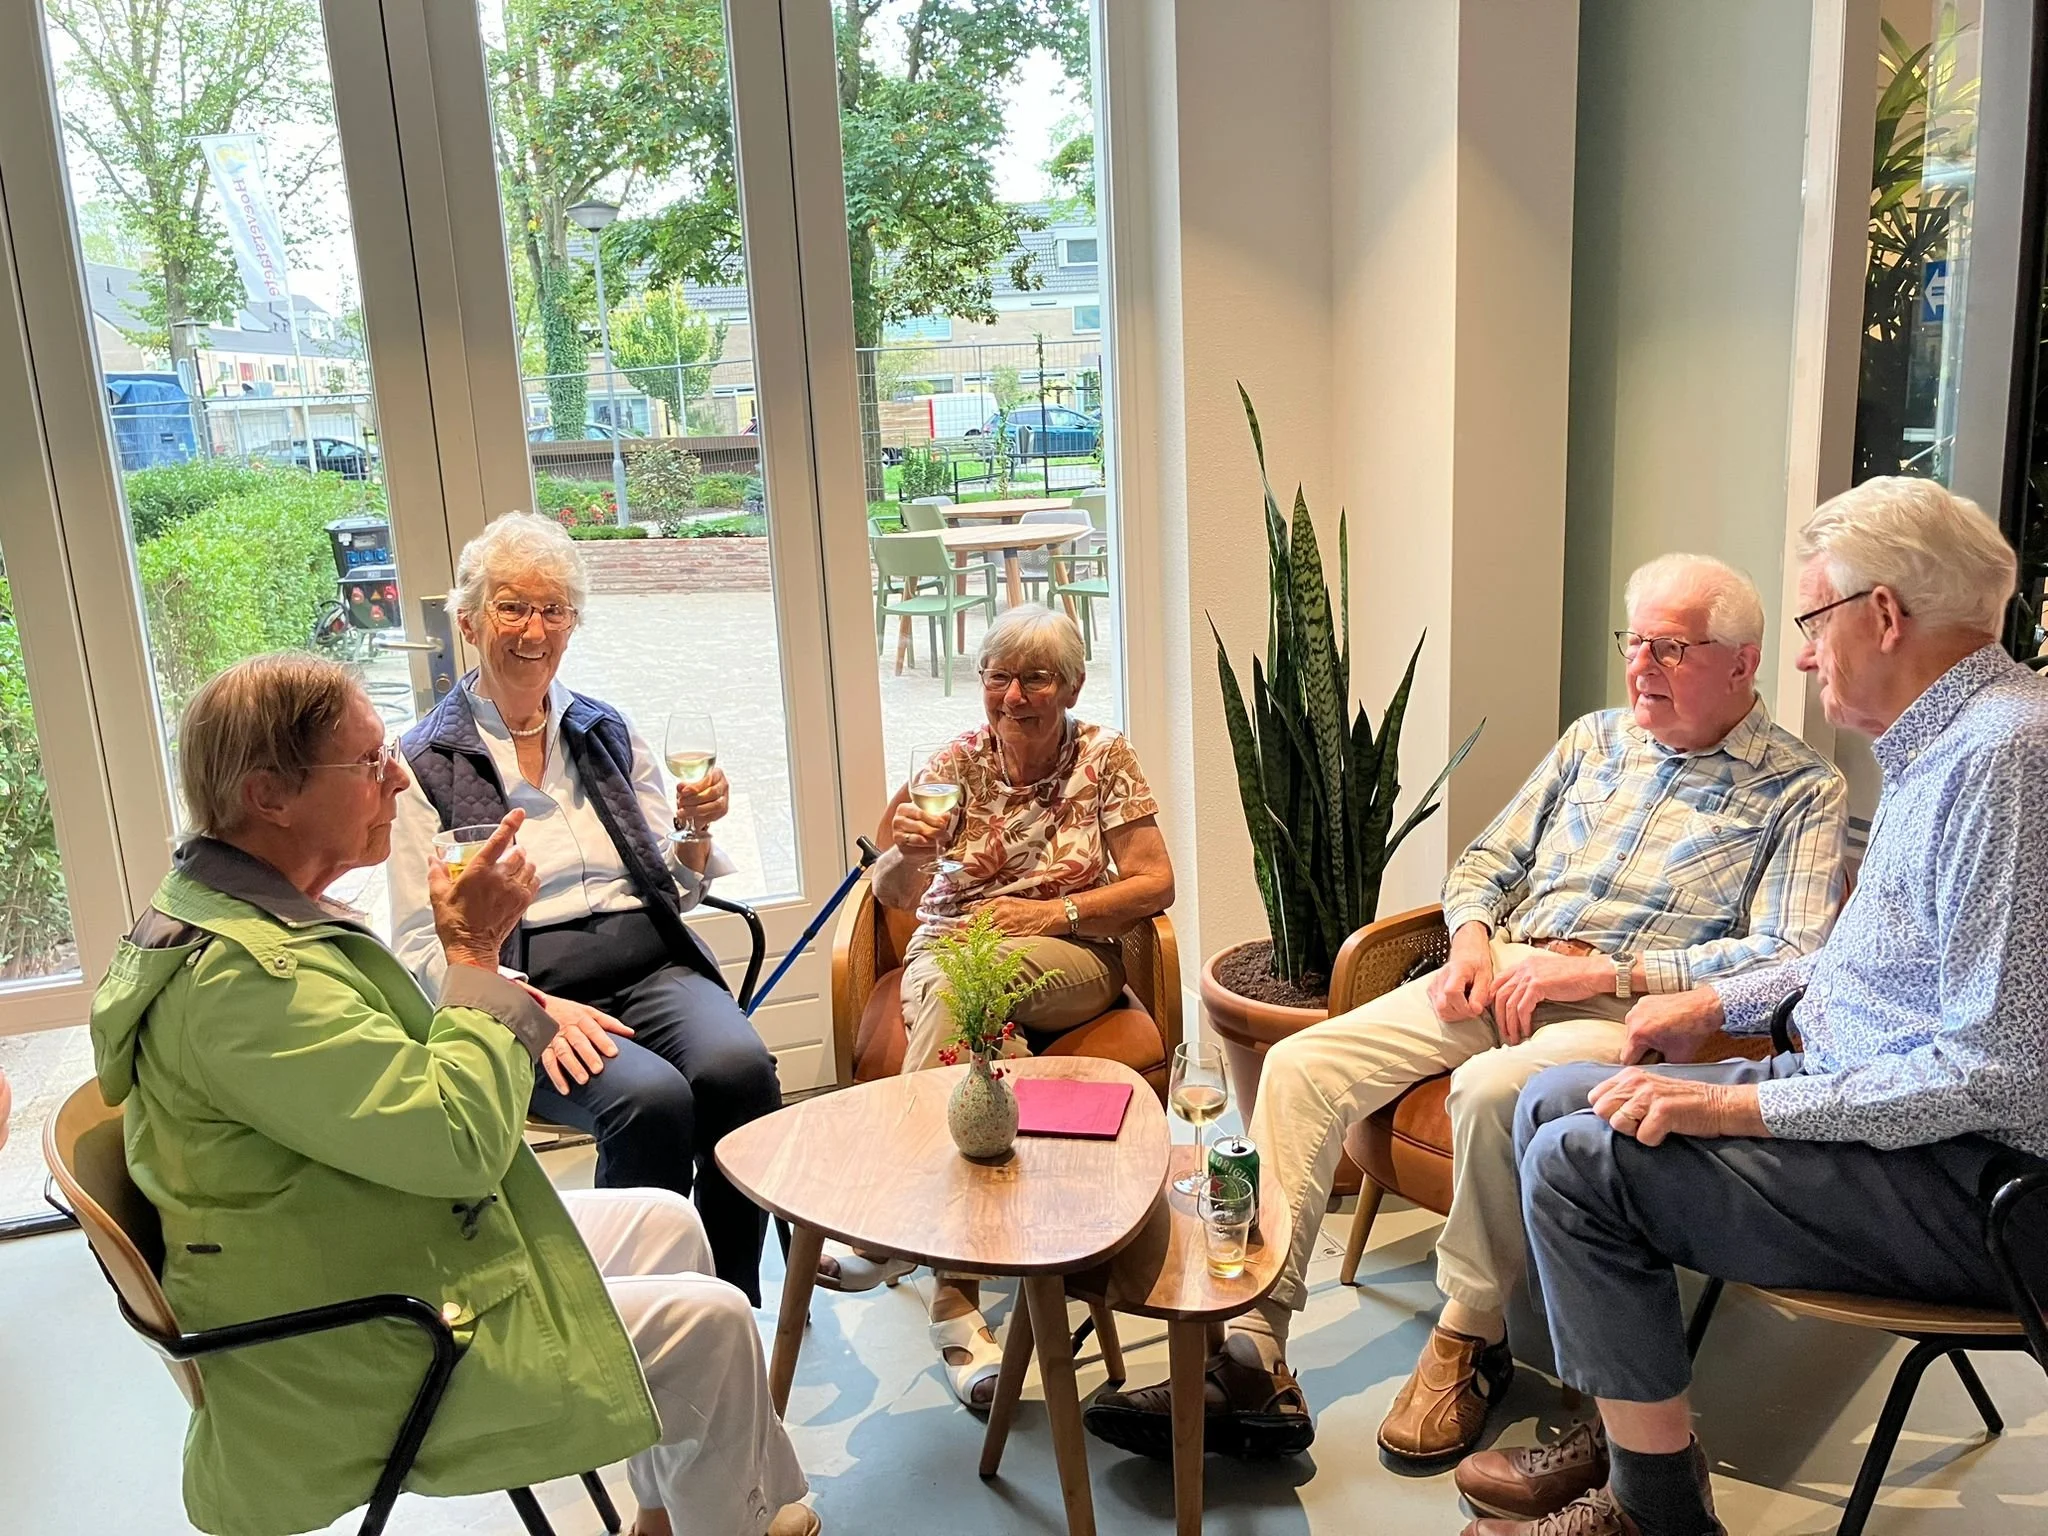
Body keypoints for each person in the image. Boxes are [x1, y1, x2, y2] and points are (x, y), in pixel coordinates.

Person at [1086, 554, 1847, 1465]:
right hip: (1502, 970)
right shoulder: (1593, 742)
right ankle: (1254, 1354)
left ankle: (1469, 1336)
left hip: (1631, 1011)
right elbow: (1487, 860)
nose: (1641, 664)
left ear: (1742, 662)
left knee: (1490, 1090)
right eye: (1634, 641)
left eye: (1670, 647)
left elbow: (1789, 953)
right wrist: (1476, 937)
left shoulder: (1802, 789)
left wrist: (1605, 973)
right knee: (1299, 1064)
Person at [89, 654, 811, 1536]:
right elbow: (459, 1146)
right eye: (369, 762)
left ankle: (672, 1519)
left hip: (364, 1234)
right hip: (356, 1339)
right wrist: (475, 956)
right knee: (714, 1321)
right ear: (269, 795)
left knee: (667, 1222)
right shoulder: (246, 983)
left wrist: (488, 975)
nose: (398, 777)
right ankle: (738, 1519)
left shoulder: (254, 920)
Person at [1459, 479, 2048, 1536]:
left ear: (1882, 614)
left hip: (1970, 1177)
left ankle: (1654, 1513)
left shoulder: (2005, 759)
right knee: (1549, 1100)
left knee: (1580, 1162)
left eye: (1814, 622)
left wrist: (1728, 1106)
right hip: (1870, 1106)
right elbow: (1858, 968)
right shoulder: (1942, 744)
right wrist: (1711, 1003)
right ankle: (1631, 1440)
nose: (1805, 658)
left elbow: (1995, 1076)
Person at [390, 512, 781, 1304]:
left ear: (572, 623)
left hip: (652, 964)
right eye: (511, 607)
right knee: (651, 1101)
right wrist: (532, 1010)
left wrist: (695, 833)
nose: (534, 630)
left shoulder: (604, 730)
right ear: (469, 622)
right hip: (525, 987)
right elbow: (419, 950)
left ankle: (730, 1301)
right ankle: (639, 1313)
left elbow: (675, 890)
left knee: (741, 1073)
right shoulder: (423, 762)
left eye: (554, 609)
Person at [830, 604, 1175, 1409]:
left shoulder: (1105, 756)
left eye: (1036, 678)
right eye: (998, 677)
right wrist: (906, 856)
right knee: (965, 1001)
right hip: (951, 948)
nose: (1014, 696)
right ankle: (975, 1267)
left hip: (1071, 953)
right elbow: (892, 894)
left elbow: (1156, 882)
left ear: (1073, 686)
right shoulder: (953, 763)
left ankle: (911, 1244)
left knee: (964, 989)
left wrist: (1056, 914)